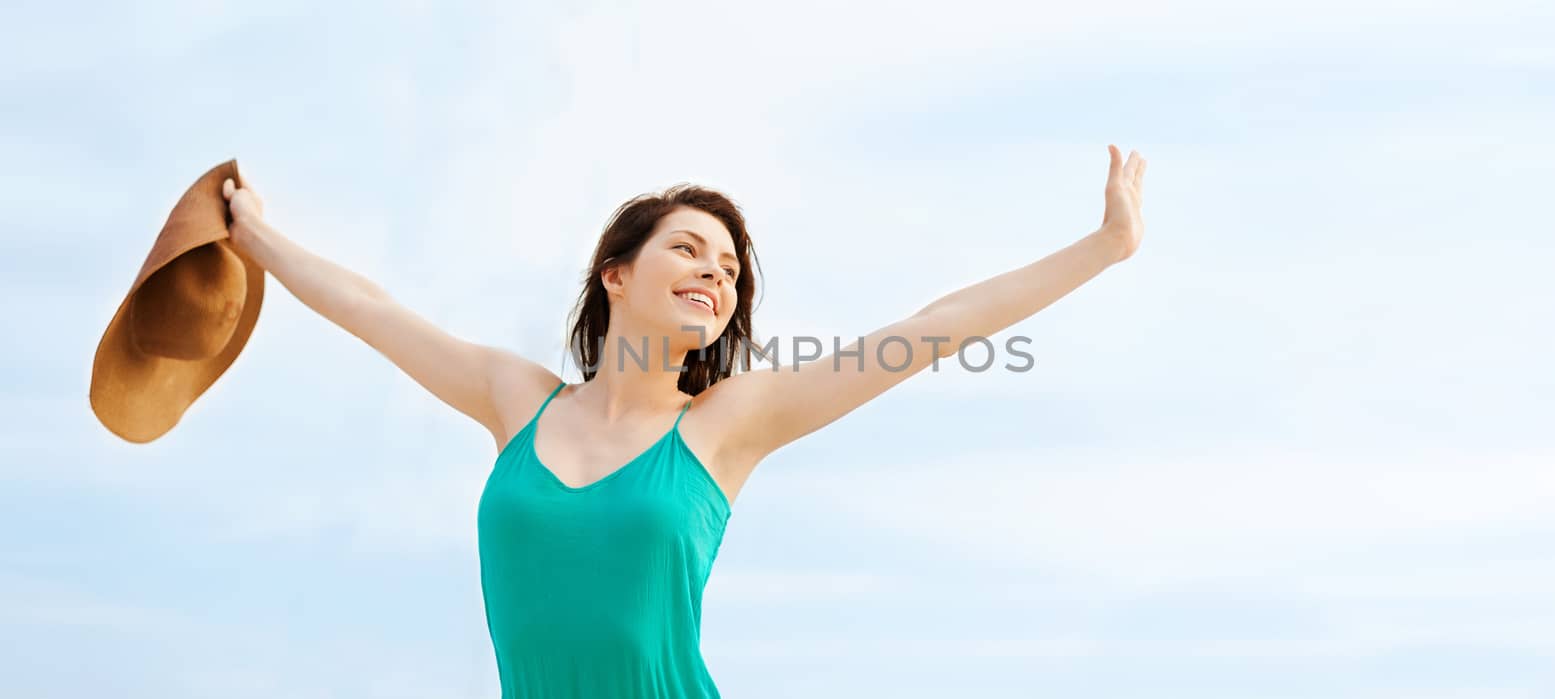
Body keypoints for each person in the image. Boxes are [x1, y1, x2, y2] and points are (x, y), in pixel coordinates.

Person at [220, 144, 1146, 698]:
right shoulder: (516, 398)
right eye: (689, 248)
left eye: (731, 269)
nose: (716, 272)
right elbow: (374, 310)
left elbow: (928, 331)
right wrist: (256, 236)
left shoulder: (726, 423)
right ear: (616, 272)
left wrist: (1102, 248)